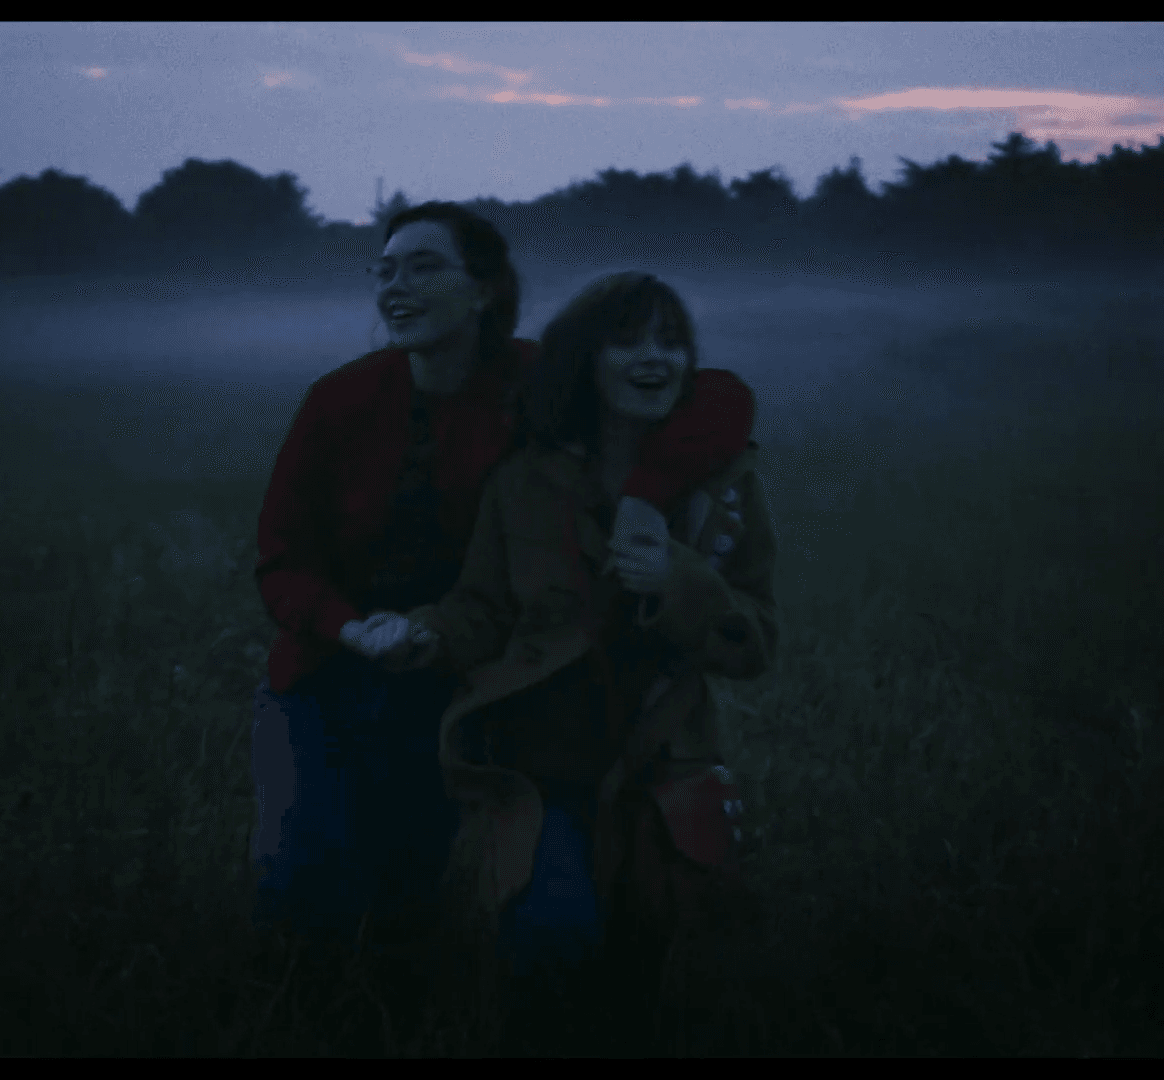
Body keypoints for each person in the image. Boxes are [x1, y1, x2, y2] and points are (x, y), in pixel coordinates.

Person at [249, 205, 755, 958]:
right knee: (302, 885)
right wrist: (351, 628)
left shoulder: (532, 385)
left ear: (485, 290)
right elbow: (280, 559)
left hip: (469, 672)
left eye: (423, 268)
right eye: (384, 271)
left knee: (409, 899)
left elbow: (717, 399)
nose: (397, 287)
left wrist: (648, 496)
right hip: (331, 670)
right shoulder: (340, 402)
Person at [375, 271, 777, 1046]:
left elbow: (757, 637)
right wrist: (422, 635)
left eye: (670, 340)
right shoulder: (524, 481)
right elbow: (482, 609)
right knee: (549, 948)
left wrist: (679, 580)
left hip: (665, 777)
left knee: (660, 987)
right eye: (626, 341)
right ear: (582, 363)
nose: (652, 357)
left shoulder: (723, 489)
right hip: (540, 775)